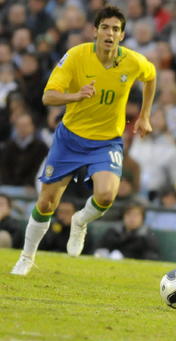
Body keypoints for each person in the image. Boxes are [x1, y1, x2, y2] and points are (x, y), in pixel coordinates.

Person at [11, 6, 157, 276]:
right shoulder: (76, 56)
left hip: (106, 142)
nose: (109, 33)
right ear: (95, 31)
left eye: (115, 29)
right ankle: (26, 257)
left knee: (105, 196)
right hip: (70, 140)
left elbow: (151, 77)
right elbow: (48, 96)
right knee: (46, 204)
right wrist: (75, 96)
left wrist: (145, 116)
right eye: (105, 27)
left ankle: (80, 221)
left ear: (122, 35)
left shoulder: (133, 62)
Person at [95, 203, 159, 261]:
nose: (132, 218)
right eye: (129, 214)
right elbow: (100, 249)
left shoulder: (146, 236)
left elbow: (151, 257)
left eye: (136, 215)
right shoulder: (113, 231)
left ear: (142, 218)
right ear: (123, 216)